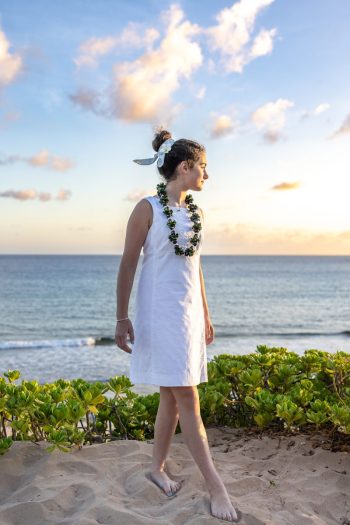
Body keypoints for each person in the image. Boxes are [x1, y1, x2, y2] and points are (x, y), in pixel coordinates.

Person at [115, 129, 238, 522]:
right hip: (158, 316)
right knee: (188, 397)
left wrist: (206, 314)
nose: (207, 175)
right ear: (185, 167)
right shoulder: (147, 208)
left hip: (187, 317)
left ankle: (156, 468)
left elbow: (195, 268)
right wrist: (121, 317)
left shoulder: (196, 214)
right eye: (203, 167)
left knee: (171, 396)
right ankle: (216, 487)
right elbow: (128, 264)